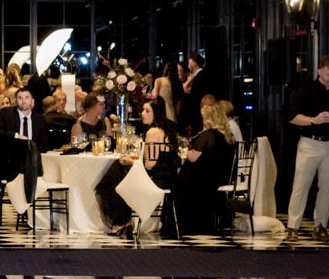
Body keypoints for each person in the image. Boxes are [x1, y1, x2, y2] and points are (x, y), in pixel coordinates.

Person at [97, 99, 179, 236]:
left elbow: (149, 165)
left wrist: (128, 161)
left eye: (147, 111)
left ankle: (123, 221)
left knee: (116, 173)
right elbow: (155, 159)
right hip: (166, 177)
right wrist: (134, 158)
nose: (143, 114)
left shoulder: (152, 132)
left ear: (157, 113)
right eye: (143, 110)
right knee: (119, 171)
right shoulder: (167, 130)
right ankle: (124, 220)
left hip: (155, 179)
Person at [284, 56, 329, 240]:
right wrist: (313, 120)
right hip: (310, 142)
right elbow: (291, 117)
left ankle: (321, 226)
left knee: (327, 188)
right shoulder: (306, 91)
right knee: (301, 185)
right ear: (319, 71)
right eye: (328, 74)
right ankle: (293, 227)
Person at [174, 99, 242, 236]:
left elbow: (193, 157)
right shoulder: (227, 136)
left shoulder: (208, 135)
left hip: (203, 182)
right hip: (220, 177)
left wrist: (185, 152)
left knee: (177, 182)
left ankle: (182, 224)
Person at [0, 87, 42, 218]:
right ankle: (25, 208)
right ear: (16, 101)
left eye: (26, 98)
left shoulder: (40, 119)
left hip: (34, 162)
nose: (23, 101)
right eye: (20, 98)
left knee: (36, 167)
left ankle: (36, 213)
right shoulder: (7, 114)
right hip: (11, 162)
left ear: (32, 101)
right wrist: (15, 135)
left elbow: (44, 145)